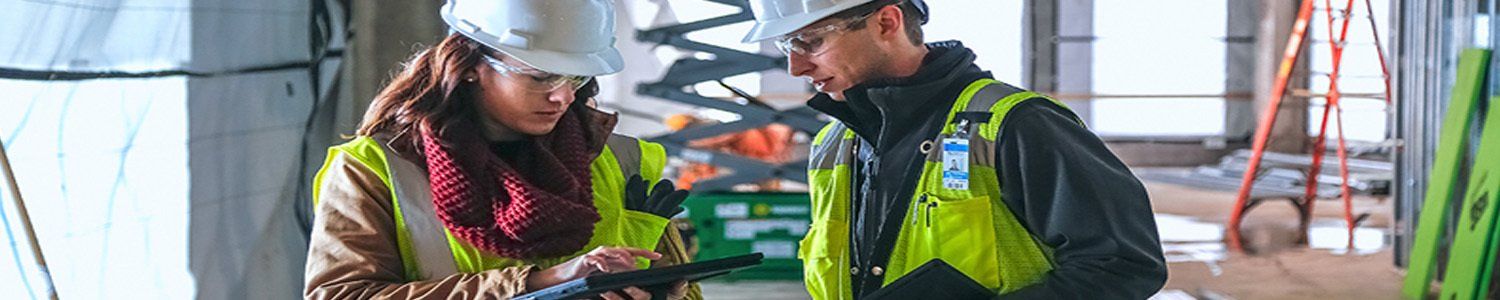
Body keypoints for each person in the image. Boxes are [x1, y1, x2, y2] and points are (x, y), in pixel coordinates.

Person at [741, 0, 1168, 298]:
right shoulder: (834, 143)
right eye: (787, 46)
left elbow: (1122, 266)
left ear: (887, 22)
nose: (797, 67)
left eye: (810, 41)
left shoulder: (1015, 124)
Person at [303, 1, 701, 299]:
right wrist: (538, 284)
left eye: (577, 77)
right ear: (472, 63)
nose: (563, 96)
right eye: (540, 77)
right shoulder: (376, 169)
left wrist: (664, 290)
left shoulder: (618, 157)